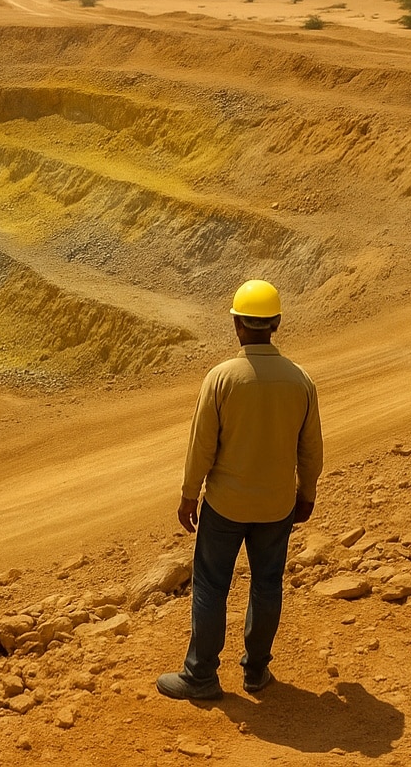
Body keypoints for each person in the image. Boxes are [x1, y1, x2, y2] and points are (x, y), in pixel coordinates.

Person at [157, 279, 324, 701]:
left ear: (237, 325)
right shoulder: (300, 380)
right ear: (276, 324)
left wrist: (189, 493)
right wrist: (307, 493)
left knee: (212, 586)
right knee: (267, 584)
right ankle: (255, 671)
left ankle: (201, 676)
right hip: (277, 505)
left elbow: (202, 446)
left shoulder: (221, 378)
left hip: (226, 506)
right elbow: (311, 448)